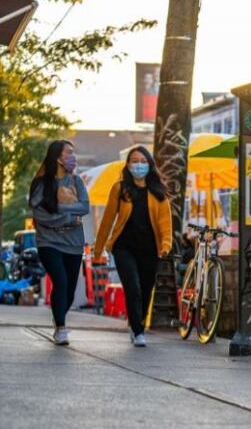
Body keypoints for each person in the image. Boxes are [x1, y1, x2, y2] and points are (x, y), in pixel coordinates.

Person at [94, 146, 172, 347]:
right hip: (124, 248)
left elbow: (166, 225)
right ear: (128, 165)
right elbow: (107, 221)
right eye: (134, 161)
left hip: (150, 249)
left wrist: (165, 246)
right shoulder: (120, 189)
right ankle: (138, 332)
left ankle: (138, 323)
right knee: (133, 288)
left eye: (143, 161)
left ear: (150, 165)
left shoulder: (159, 193)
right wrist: (98, 252)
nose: (139, 165)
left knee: (146, 290)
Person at [28, 140, 89, 345]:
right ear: (57, 157)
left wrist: (57, 208)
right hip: (49, 242)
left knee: (69, 289)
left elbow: (85, 207)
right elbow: (40, 214)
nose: (73, 156)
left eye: (74, 152)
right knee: (60, 281)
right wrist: (67, 218)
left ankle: (58, 314)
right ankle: (61, 329)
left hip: (73, 242)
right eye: (69, 152)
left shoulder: (77, 181)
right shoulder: (41, 183)